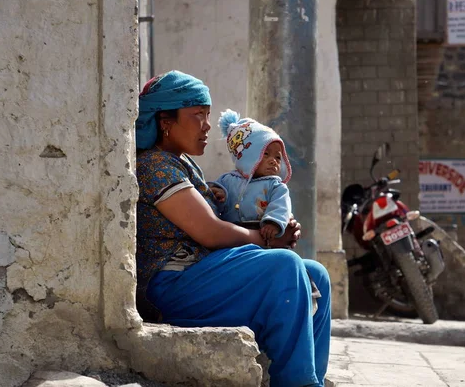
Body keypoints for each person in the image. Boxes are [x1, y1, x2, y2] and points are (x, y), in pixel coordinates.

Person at [135, 70, 331, 387]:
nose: (207, 125)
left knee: (315, 275)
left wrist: (273, 226)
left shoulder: (182, 164)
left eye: (208, 115)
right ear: (165, 121)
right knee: (284, 265)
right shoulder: (154, 167)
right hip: (171, 284)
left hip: (204, 274)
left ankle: (312, 379)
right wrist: (267, 242)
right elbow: (210, 232)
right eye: (197, 115)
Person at [210, 109, 293, 242]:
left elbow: (281, 206)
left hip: (262, 235)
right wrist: (218, 195)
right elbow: (210, 200)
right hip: (230, 237)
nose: (273, 161)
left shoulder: (276, 186)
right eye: (265, 154)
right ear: (247, 157)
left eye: (278, 157)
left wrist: (273, 224)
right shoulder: (227, 181)